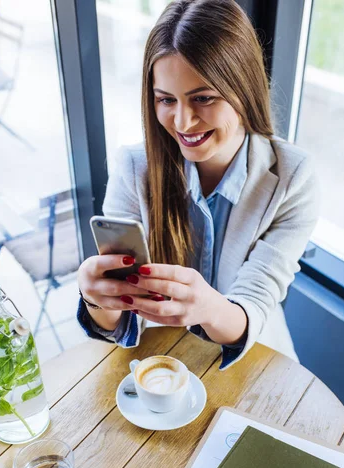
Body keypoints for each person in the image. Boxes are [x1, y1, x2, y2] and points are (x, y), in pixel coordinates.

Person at [77, 0, 318, 370]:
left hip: (251, 362)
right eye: (165, 100)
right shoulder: (132, 167)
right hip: (157, 363)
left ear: (245, 88)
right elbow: (118, 324)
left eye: (203, 98)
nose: (183, 122)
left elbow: (255, 300)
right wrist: (98, 300)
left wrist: (206, 306)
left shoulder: (293, 178)